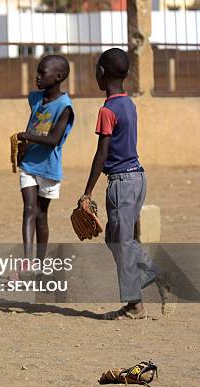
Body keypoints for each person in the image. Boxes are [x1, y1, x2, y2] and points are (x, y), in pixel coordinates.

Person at [80, 48, 172, 319]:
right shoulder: (128, 103)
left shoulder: (107, 110)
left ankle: (142, 297)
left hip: (121, 183)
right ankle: (142, 296)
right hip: (136, 178)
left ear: (102, 73)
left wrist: (87, 192)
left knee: (122, 242)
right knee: (115, 239)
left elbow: (102, 153)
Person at [14, 55, 75, 278]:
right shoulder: (35, 98)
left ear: (58, 77)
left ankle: (40, 263)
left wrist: (26, 136)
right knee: (29, 210)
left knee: (41, 214)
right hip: (29, 164)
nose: (37, 77)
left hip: (49, 168)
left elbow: (54, 140)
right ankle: (28, 263)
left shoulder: (65, 106)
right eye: (37, 73)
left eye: (42, 73)